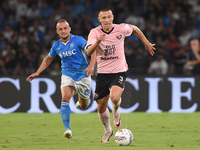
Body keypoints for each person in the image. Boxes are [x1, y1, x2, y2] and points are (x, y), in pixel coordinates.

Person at [86, 7, 156, 143]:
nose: (106, 20)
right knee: (101, 107)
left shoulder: (121, 28)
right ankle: (108, 131)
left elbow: (135, 29)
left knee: (114, 97)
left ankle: (116, 110)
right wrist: (98, 41)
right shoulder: (94, 33)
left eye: (109, 17)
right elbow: (89, 51)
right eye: (103, 18)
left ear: (113, 18)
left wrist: (146, 43)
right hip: (102, 74)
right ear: (99, 19)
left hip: (119, 70)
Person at [26, 19, 95, 139]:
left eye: (65, 28)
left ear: (69, 29)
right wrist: (37, 72)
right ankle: (67, 129)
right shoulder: (56, 45)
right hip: (67, 75)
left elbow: (92, 50)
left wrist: (91, 66)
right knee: (65, 97)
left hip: (83, 76)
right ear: (57, 31)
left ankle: (83, 102)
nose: (63, 31)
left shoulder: (78, 40)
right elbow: (48, 59)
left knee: (84, 105)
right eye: (60, 29)